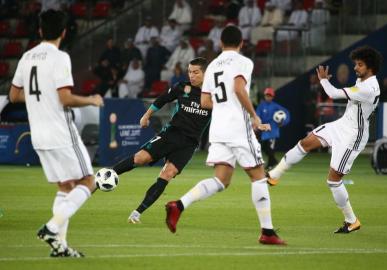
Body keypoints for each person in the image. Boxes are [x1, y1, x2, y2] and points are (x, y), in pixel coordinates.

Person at [165, 25, 286, 245]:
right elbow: (239, 89)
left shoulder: (211, 67)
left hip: (218, 129)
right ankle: (267, 232)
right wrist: (253, 116)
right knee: (259, 176)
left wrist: (224, 107)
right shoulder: (243, 62)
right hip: (238, 127)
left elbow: (204, 102)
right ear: (241, 43)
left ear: (220, 43)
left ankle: (179, 205)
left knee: (221, 180)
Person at [8, 9, 104, 257]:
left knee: (65, 187)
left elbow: (13, 96)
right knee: (88, 181)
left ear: (40, 30)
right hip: (61, 131)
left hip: (38, 132)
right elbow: (65, 98)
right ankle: (51, 228)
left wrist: (40, 99)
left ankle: (60, 247)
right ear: (64, 31)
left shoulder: (27, 56)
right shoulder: (60, 57)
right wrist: (92, 100)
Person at [268, 46, 382, 233]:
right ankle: (274, 176)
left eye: (360, 65)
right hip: (342, 125)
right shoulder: (363, 78)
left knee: (333, 180)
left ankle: (351, 220)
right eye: (356, 64)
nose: (356, 68)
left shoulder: (368, 88)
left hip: (353, 136)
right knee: (305, 143)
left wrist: (322, 81)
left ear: (371, 67)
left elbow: (334, 94)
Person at [111, 57, 211, 223]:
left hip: (189, 143)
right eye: (189, 72)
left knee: (167, 173)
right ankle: (108, 175)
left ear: (205, 73)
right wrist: (146, 115)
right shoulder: (181, 87)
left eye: (196, 72)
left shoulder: (214, 95)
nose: (191, 76)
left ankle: (137, 213)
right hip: (171, 134)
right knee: (140, 158)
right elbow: (162, 99)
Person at [256, 87, 290, 170]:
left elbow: (286, 113)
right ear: (264, 96)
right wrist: (257, 125)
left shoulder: (275, 106)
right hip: (264, 130)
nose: (268, 97)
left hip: (273, 130)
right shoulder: (261, 106)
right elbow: (257, 116)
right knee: (264, 148)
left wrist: (283, 122)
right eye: (267, 95)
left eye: (270, 95)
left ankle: (270, 164)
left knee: (270, 148)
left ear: (273, 97)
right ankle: (274, 162)